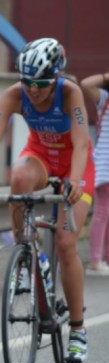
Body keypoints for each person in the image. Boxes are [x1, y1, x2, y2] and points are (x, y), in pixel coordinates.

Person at [0, 38, 93, 363]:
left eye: (40, 83)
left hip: (74, 165)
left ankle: (78, 329)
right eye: (27, 82)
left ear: (56, 77)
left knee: (66, 244)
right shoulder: (14, 94)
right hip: (39, 157)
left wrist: (76, 181)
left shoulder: (69, 93)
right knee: (19, 177)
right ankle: (26, 252)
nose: (33, 90)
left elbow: (81, 144)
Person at [80, 71, 109, 276]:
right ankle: (94, 260)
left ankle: (105, 259)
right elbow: (86, 83)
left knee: (106, 213)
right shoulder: (105, 100)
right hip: (105, 165)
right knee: (102, 212)